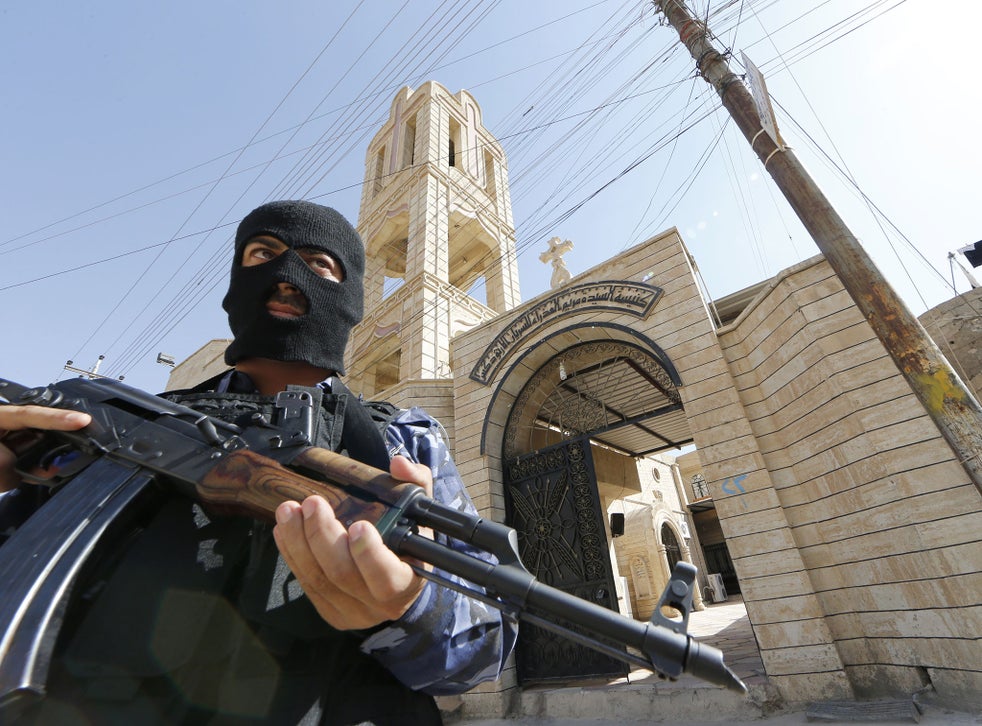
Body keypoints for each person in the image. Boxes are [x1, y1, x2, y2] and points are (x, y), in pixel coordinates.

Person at [0, 200, 517, 724]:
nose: (288, 276)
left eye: (318, 263)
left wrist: (410, 608)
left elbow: (482, 653)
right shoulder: (127, 419)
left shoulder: (403, 441)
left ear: (352, 294)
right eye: (264, 253)